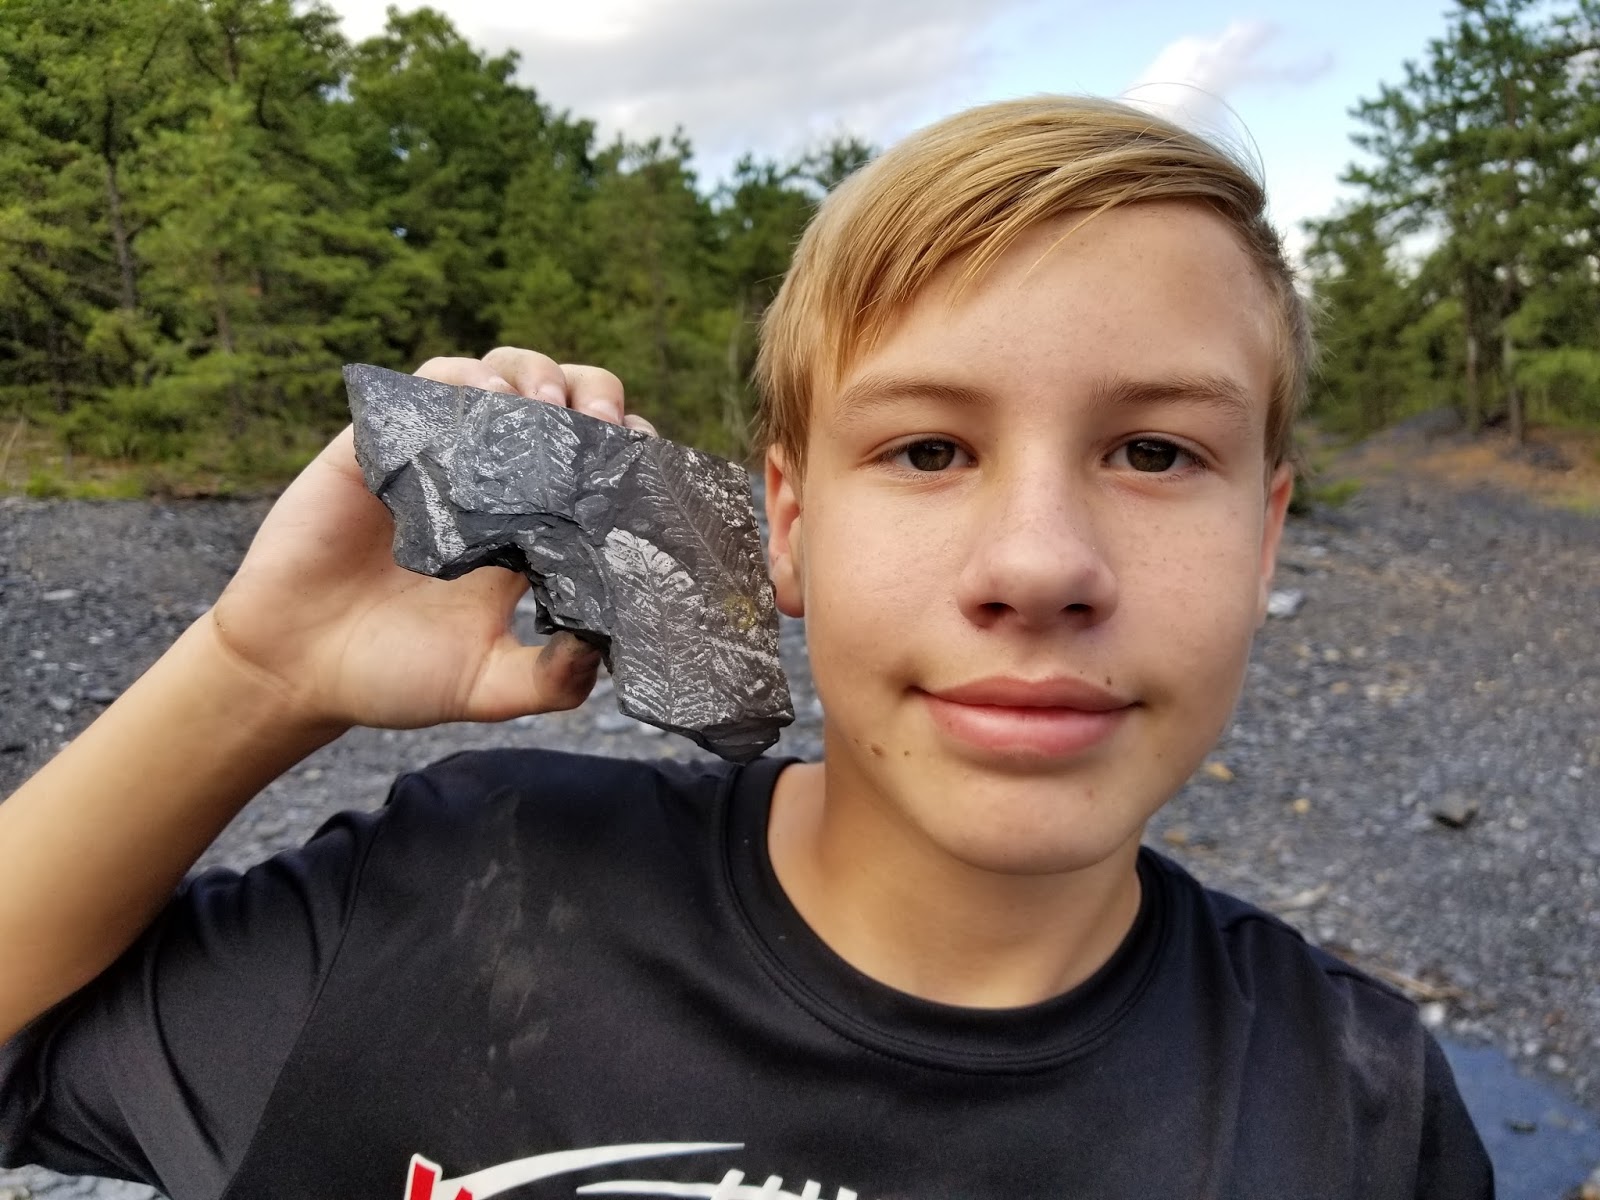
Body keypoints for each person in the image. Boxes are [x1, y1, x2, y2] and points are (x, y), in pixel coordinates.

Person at [0, 96, 1492, 1200]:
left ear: (1269, 533)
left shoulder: (1359, 1113)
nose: (1040, 565)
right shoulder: (462, 887)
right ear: (784, 523)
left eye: (1157, 452)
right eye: (925, 449)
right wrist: (255, 679)